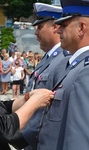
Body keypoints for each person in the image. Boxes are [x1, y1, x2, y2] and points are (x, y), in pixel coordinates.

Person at [37, 0, 89, 149]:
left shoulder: (85, 71)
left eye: (64, 25)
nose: (58, 30)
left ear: (81, 28)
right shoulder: (73, 66)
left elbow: (79, 140)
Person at [21, 3, 71, 150]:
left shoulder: (63, 59)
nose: (36, 32)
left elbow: (51, 112)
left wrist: (22, 137)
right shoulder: (49, 58)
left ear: (55, 27)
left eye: (40, 27)